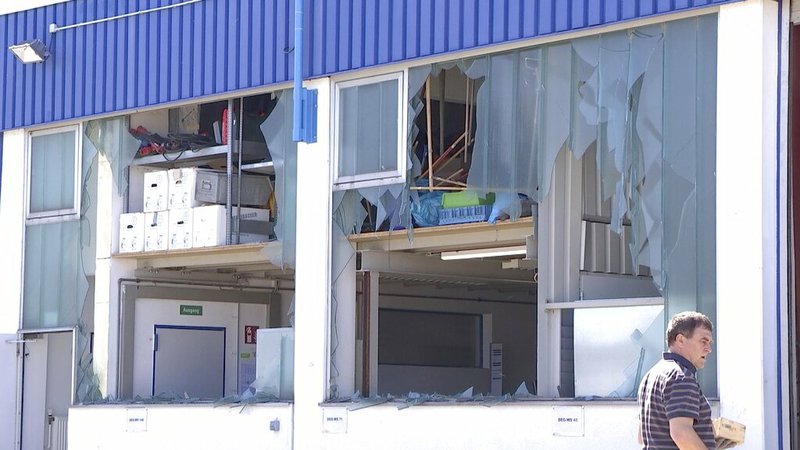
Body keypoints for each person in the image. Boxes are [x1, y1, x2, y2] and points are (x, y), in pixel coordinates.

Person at [637, 311, 716, 450]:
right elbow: (681, 434)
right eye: (703, 341)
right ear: (680, 340)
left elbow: (641, 436)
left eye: (710, 343)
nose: (708, 349)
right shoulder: (681, 377)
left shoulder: (651, 375)